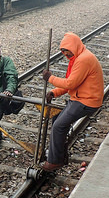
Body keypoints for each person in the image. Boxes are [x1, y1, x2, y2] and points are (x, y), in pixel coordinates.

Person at [41, 32, 104, 171]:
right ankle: (59, 154)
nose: (65, 54)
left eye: (67, 50)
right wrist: (54, 92)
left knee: (58, 126)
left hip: (87, 101)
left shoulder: (83, 59)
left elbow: (70, 83)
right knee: (56, 119)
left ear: (74, 47)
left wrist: (50, 78)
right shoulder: (78, 58)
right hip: (80, 98)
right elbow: (72, 84)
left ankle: (55, 161)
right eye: (63, 51)